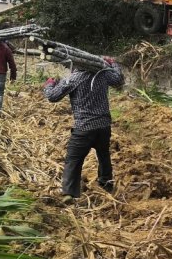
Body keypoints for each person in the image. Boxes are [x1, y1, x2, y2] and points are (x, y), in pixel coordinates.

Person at [43, 60, 125, 199]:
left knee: (73, 159)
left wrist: (49, 84)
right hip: (104, 125)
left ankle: (69, 193)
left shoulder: (73, 79)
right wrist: (114, 64)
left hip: (84, 127)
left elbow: (52, 96)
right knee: (103, 154)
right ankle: (106, 185)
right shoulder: (102, 75)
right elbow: (119, 80)